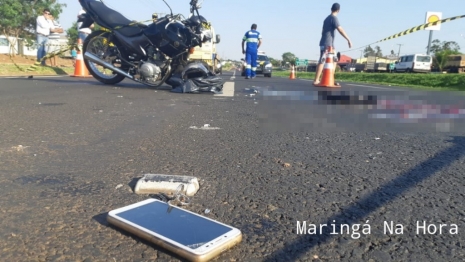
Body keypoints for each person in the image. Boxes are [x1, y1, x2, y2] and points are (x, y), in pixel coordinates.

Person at [313, 3, 352, 85]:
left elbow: (322, 31)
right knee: (322, 60)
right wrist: (348, 39)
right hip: (327, 43)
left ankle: (330, 78)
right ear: (338, 10)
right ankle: (316, 80)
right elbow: (340, 30)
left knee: (334, 60)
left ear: (331, 9)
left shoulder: (326, 19)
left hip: (328, 43)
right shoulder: (333, 18)